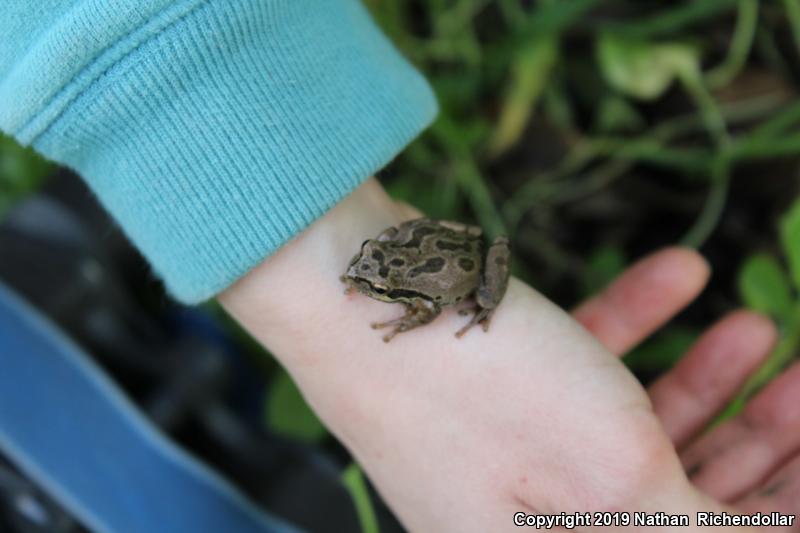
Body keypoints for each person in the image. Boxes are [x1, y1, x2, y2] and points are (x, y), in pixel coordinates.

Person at [2, 1, 798, 531]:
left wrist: (392, 311)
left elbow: (422, 294)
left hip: (455, 273)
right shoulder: (383, 269)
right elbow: (389, 272)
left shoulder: (409, 288)